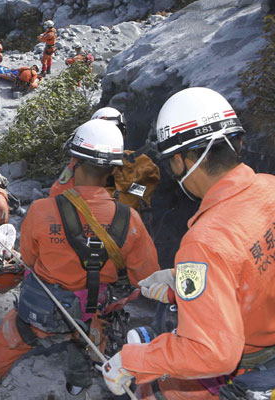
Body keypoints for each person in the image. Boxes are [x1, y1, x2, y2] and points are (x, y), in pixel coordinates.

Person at [0, 119, 160, 400]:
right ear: (115, 169)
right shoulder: (130, 220)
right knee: (90, 339)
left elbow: (29, 259)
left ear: (74, 161)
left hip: (41, 312)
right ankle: (77, 386)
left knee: (7, 341)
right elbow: (147, 279)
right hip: (93, 314)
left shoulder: (42, 210)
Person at [101, 87, 275, 399]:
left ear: (181, 161)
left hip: (248, 368)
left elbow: (211, 351)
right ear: (236, 142)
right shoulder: (269, 187)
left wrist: (132, 362)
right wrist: (183, 281)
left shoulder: (204, 243)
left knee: (155, 391)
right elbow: (248, 270)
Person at [51, 107, 161, 213]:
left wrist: (124, 188)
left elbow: (143, 196)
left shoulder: (140, 163)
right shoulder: (79, 165)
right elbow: (58, 195)